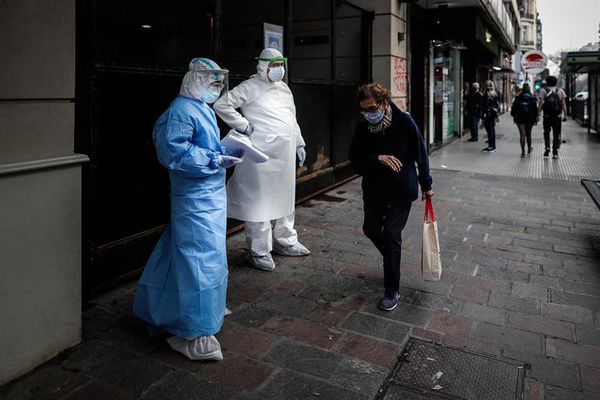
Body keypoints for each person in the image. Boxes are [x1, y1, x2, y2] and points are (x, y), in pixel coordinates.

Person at [133, 58, 244, 361]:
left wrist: (226, 151)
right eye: (212, 82)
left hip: (209, 196)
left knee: (196, 255)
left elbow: (204, 145)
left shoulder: (201, 109)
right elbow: (174, 153)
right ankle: (193, 332)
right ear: (194, 79)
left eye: (219, 83)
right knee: (199, 260)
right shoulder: (180, 111)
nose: (216, 88)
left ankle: (203, 308)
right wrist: (213, 160)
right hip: (194, 200)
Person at [214, 48, 309, 272]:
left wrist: (299, 142)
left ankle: (286, 241)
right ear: (262, 66)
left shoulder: (284, 88)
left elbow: (290, 116)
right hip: (261, 154)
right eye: (273, 65)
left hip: (284, 153)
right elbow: (222, 104)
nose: (278, 70)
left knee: (286, 198)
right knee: (260, 201)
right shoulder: (250, 86)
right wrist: (244, 126)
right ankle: (259, 251)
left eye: (280, 65)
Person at [349, 83, 433, 312]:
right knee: (371, 229)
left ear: (385, 104)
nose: (368, 114)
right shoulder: (363, 126)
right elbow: (355, 160)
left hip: (401, 189)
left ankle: (391, 288)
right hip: (374, 189)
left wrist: (426, 183)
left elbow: (420, 152)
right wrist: (377, 158)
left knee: (392, 235)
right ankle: (391, 260)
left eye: (372, 108)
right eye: (364, 110)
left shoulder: (404, 121)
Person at [538, 75, 568, 159]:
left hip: (547, 116)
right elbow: (563, 104)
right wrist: (565, 115)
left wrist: (538, 113)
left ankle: (547, 147)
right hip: (557, 116)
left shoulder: (543, 91)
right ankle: (555, 152)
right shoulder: (560, 91)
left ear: (547, 83)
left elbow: (540, 103)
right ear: (556, 82)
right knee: (556, 134)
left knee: (546, 132)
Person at [510, 83, 538, 157]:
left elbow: (513, 110)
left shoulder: (518, 98)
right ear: (529, 89)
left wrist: (515, 117)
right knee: (528, 134)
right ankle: (529, 148)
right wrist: (535, 119)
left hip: (520, 119)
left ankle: (523, 152)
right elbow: (535, 110)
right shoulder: (532, 98)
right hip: (529, 119)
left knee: (522, 134)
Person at [481, 80, 500, 152]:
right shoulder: (495, 93)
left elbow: (485, 105)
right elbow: (497, 104)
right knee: (492, 129)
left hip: (488, 114)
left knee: (489, 130)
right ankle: (492, 145)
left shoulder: (486, 94)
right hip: (493, 113)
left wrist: (483, 114)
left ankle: (491, 146)